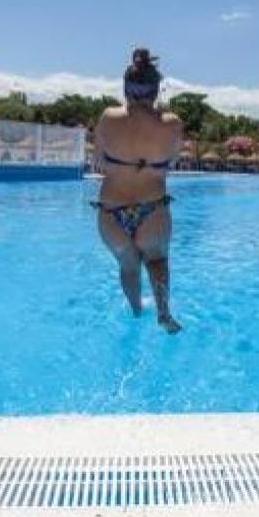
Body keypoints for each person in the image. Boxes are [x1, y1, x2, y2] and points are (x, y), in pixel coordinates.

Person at [92, 48, 184, 334]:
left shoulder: (108, 118)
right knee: (157, 260)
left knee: (128, 267)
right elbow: (171, 163)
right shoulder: (172, 124)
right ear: (156, 91)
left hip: (111, 213)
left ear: (125, 89)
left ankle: (135, 312)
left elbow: (98, 163)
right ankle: (164, 313)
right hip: (152, 209)